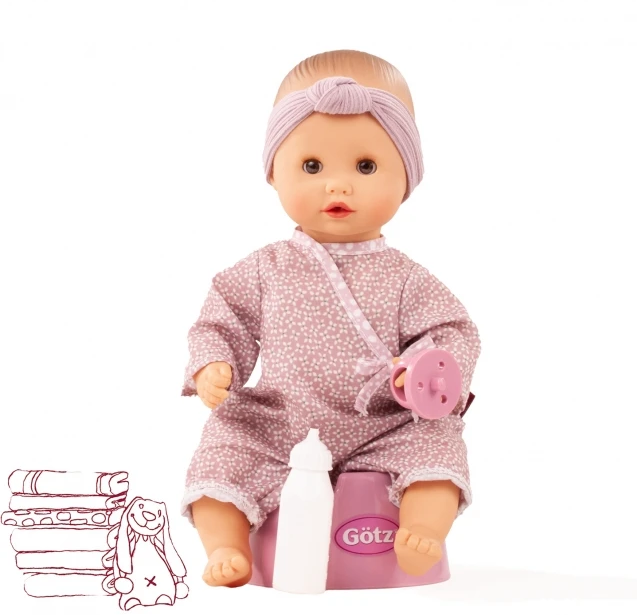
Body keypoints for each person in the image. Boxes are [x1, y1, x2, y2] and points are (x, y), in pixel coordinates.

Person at [180, 50, 481, 587]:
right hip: (280, 422)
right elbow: (222, 319)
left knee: (438, 443)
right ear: (274, 173)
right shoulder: (265, 268)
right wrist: (214, 365)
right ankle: (226, 545)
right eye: (312, 167)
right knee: (223, 447)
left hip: (382, 425)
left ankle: (421, 530)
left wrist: (422, 373)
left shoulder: (406, 278)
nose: (337, 186)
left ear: (406, 178)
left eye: (365, 167)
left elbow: (452, 332)